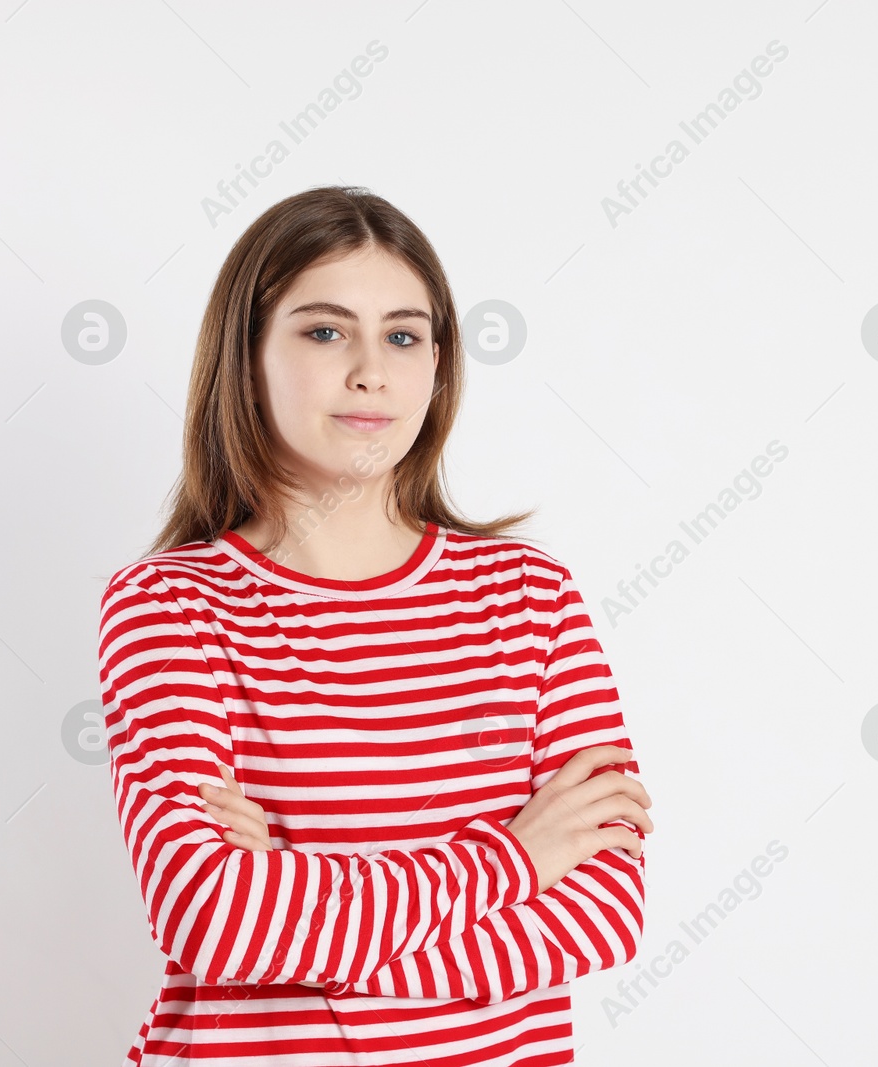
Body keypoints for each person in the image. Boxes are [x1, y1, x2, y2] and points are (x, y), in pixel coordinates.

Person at [96, 185, 653, 1066]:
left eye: (403, 334)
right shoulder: (172, 605)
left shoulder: (528, 597)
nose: (371, 370)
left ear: (438, 364)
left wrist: (290, 920)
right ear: (246, 357)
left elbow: (603, 908)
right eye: (324, 331)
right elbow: (208, 914)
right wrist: (514, 860)